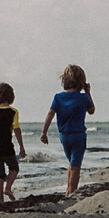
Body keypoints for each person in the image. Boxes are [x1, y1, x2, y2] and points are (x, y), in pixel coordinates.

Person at [39, 65, 94, 196]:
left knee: (72, 163)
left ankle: (68, 189)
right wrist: (88, 92)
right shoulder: (83, 98)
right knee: (75, 166)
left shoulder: (58, 97)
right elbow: (91, 111)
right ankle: (72, 192)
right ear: (82, 82)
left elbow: (50, 114)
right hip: (78, 135)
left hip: (64, 136)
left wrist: (44, 132)